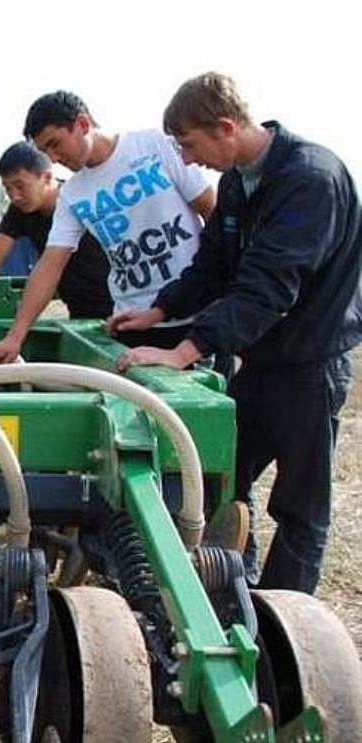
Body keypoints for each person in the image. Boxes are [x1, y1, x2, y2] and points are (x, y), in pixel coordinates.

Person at [113, 72, 362, 593]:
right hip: (264, 361)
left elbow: (267, 287)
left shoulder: (309, 179)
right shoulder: (237, 183)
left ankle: (283, 624)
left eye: (189, 144)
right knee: (224, 475)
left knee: (299, 506)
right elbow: (213, 267)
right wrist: (158, 312)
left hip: (311, 365)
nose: (186, 158)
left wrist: (186, 351)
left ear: (225, 127)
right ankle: (232, 589)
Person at [0, 91, 216, 364]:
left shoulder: (153, 146)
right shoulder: (72, 194)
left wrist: (222, 292)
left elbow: (211, 211)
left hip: (197, 315)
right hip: (134, 323)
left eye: (55, 144)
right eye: (45, 151)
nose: (54, 157)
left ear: (82, 125)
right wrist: (15, 336)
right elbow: (50, 265)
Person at [0, 142, 112, 330]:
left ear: (47, 177)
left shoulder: (82, 201)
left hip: (120, 307)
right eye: (7, 189)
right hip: (80, 311)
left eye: (20, 186)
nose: (14, 196)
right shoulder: (20, 211)